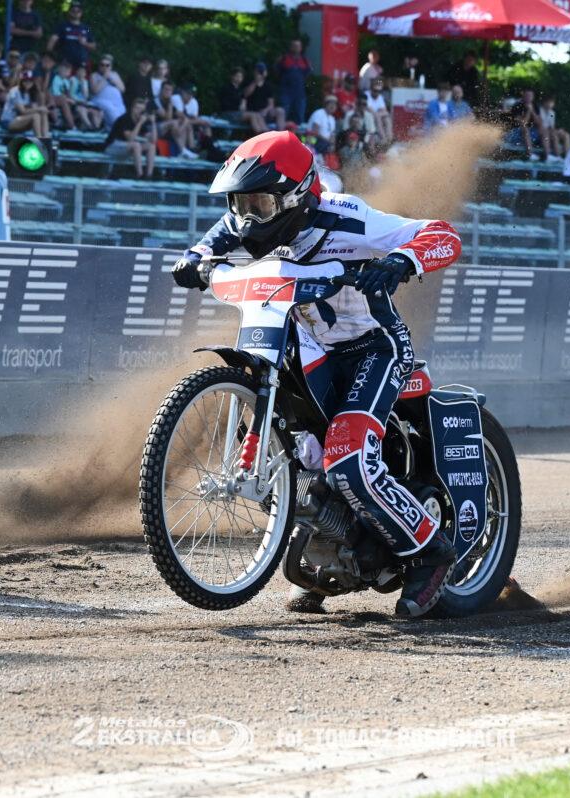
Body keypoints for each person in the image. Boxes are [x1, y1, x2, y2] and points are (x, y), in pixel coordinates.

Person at [170, 130, 463, 618]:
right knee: (297, 451)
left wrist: (399, 260)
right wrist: (196, 259)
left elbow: (441, 235)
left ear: (296, 197)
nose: (247, 218)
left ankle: (432, 552)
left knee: (347, 458)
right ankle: (328, 554)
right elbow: (218, 235)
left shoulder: (348, 217)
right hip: (310, 345)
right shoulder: (247, 222)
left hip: (374, 346)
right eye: (241, 203)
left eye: (259, 204)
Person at [105, 96, 155, 178]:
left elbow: (153, 140)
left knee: (151, 146)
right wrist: (140, 123)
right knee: (136, 145)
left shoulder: (140, 120)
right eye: (138, 109)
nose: (140, 112)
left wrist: (153, 123)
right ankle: (140, 175)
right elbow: (130, 139)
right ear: (133, 108)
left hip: (126, 147)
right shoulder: (125, 118)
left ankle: (149, 175)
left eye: (142, 110)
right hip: (112, 146)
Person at [0, 71, 49, 138]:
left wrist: (41, 109)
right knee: (35, 116)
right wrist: (39, 108)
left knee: (42, 113)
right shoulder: (15, 91)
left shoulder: (30, 93)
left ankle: (45, 139)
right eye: (25, 80)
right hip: (8, 121)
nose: (28, 83)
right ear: (21, 81)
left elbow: (35, 108)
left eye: (30, 81)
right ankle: (39, 140)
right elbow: (22, 111)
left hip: (21, 120)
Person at [46, 1, 93, 69]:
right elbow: (52, 40)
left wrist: (85, 43)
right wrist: (48, 56)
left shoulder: (86, 28)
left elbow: (93, 46)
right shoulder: (62, 26)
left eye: (78, 11)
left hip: (81, 65)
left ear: (81, 13)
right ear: (69, 12)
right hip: (65, 64)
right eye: (73, 10)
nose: (76, 13)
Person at [219, 66, 265, 135]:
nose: (239, 79)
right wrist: (239, 106)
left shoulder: (240, 90)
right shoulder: (226, 88)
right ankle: (259, 134)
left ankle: (266, 131)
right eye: (237, 76)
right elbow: (225, 105)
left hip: (238, 113)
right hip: (228, 113)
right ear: (232, 76)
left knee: (257, 114)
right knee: (252, 115)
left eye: (240, 77)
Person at [275, 38, 310, 124]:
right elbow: (277, 72)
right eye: (294, 46)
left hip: (300, 94)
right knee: (283, 115)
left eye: (298, 46)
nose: (296, 48)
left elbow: (307, 74)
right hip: (286, 93)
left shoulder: (305, 60)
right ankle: (281, 136)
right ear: (291, 47)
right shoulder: (284, 59)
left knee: (299, 117)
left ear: (301, 48)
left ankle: (298, 137)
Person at [245, 62, 285, 131]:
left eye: (262, 71)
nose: (260, 73)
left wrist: (266, 111)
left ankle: (280, 133)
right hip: (253, 112)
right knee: (257, 115)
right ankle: (265, 134)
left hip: (265, 112)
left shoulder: (268, 86)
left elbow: (271, 104)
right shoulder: (249, 82)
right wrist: (255, 81)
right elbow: (245, 95)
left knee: (280, 111)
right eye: (258, 71)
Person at [89, 54, 125, 128]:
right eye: (102, 65)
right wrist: (105, 77)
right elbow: (94, 91)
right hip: (101, 101)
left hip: (117, 104)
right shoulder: (94, 75)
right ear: (99, 66)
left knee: (122, 116)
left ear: (111, 66)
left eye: (107, 65)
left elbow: (122, 89)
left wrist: (113, 80)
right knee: (111, 112)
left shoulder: (115, 74)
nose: (104, 67)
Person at [538, 96, 570, 161]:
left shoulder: (552, 113)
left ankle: (568, 158)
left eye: (552, 103)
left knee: (566, 135)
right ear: (544, 103)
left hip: (549, 131)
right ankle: (557, 156)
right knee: (554, 135)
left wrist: (558, 130)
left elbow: (551, 126)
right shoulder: (539, 110)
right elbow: (541, 125)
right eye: (549, 102)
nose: (550, 104)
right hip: (541, 131)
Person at [365, 78, 393, 146]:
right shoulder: (366, 94)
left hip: (377, 116)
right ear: (371, 89)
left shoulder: (380, 97)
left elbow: (385, 111)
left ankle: (389, 138)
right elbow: (370, 110)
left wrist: (379, 113)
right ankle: (383, 138)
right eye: (375, 90)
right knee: (378, 116)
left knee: (386, 118)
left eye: (379, 91)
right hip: (368, 116)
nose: (377, 92)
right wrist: (379, 113)